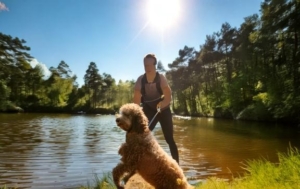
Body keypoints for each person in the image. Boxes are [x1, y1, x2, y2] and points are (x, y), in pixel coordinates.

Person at [133, 53, 179, 164]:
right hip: (148, 110)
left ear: (155, 65)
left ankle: (177, 168)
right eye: (145, 65)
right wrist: (135, 119)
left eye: (149, 65)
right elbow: (136, 104)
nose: (147, 68)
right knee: (142, 137)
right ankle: (142, 166)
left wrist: (162, 104)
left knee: (169, 139)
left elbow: (168, 96)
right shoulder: (140, 81)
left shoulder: (161, 78)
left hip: (164, 110)